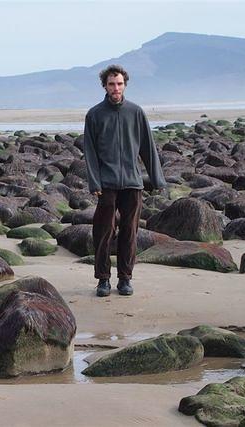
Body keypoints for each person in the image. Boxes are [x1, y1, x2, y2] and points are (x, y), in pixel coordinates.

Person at [83, 64, 166, 297]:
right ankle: (103, 280)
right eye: (111, 84)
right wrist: (94, 183)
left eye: (119, 84)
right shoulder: (95, 115)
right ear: (105, 86)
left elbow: (148, 147)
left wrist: (157, 179)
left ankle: (125, 279)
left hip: (132, 183)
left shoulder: (136, 112)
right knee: (103, 233)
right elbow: (89, 152)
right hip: (106, 185)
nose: (116, 88)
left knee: (130, 232)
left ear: (125, 85)